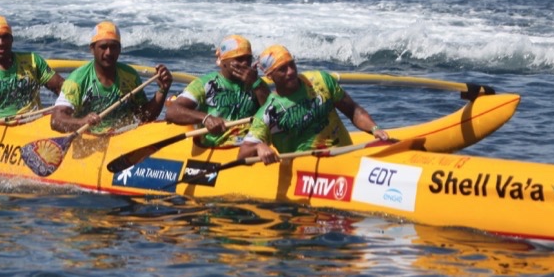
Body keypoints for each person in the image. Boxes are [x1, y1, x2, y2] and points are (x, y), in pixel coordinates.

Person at [238, 45, 389, 166]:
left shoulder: (320, 81)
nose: (291, 72)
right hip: (308, 174)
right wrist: (259, 147)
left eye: (291, 65)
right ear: (270, 76)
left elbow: (353, 110)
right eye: (282, 69)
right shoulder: (268, 112)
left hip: (346, 161)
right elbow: (242, 154)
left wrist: (374, 128)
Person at [50, 21, 173, 134]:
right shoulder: (76, 80)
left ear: (119, 49)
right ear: (92, 49)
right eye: (103, 47)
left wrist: (162, 90)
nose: (109, 52)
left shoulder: (130, 76)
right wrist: (82, 122)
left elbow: (145, 117)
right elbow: (56, 120)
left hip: (123, 137)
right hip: (90, 138)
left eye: (113, 47)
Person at [165, 34, 268, 148]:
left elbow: (276, 114)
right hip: (217, 145)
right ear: (224, 61)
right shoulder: (205, 84)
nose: (245, 63)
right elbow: (172, 112)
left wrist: (256, 85)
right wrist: (206, 118)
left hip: (249, 145)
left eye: (248, 58)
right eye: (239, 59)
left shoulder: (258, 84)